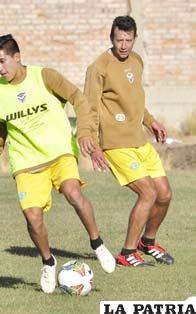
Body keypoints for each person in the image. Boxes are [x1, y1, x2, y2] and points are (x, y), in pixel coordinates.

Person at [0, 34, 116, 294]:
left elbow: (79, 99)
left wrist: (85, 132)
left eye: (3, 61)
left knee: (73, 192)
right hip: (26, 161)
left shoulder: (45, 76)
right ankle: (48, 261)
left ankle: (97, 244)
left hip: (59, 152)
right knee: (32, 217)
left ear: (17, 57)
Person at [83, 16, 174, 267]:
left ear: (135, 38)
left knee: (164, 195)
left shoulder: (136, 60)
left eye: (128, 40)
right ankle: (127, 252)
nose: (123, 45)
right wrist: (92, 145)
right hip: (115, 144)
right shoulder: (98, 67)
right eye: (118, 40)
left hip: (140, 142)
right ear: (111, 38)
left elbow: (136, 101)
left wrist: (150, 121)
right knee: (148, 193)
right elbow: (89, 108)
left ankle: (148, 242)